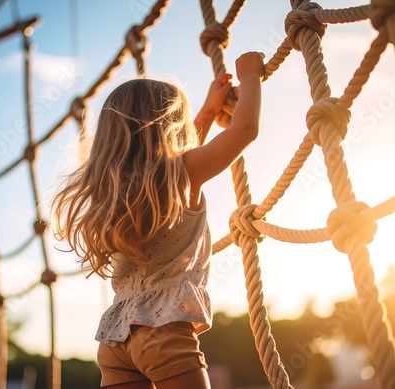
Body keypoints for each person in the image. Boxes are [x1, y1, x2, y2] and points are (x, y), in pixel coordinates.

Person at [51, 51, 264, 389]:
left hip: (115, 340)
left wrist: (208, 113)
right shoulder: (182, 175)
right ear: (170, 128)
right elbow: (245, 130)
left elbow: (170, 160)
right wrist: (251, 77)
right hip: (164, 333)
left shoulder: (111, 190)